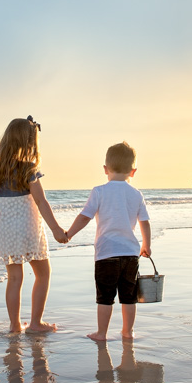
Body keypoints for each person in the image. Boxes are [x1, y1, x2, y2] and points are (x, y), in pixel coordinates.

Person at [0, 116, 67, 333]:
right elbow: (41, 201)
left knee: (14, 278)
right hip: (28, 228)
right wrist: (55, 229)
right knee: (43, 274)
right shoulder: (28, 169)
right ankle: (35, 324)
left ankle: (15, 326)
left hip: (6, 231)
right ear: (28, 143)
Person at [64, 142, 151, 341]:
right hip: (130, 254)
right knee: (129, 297)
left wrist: (69, 234)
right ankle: (128, 332)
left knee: (105, 297)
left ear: (105, 169)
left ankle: (101, 333)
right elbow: (144, 222)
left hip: (106, 254)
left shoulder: (99, 191)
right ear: (133, 171)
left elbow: (85, 216)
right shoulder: (136, 194)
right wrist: (146, 244)